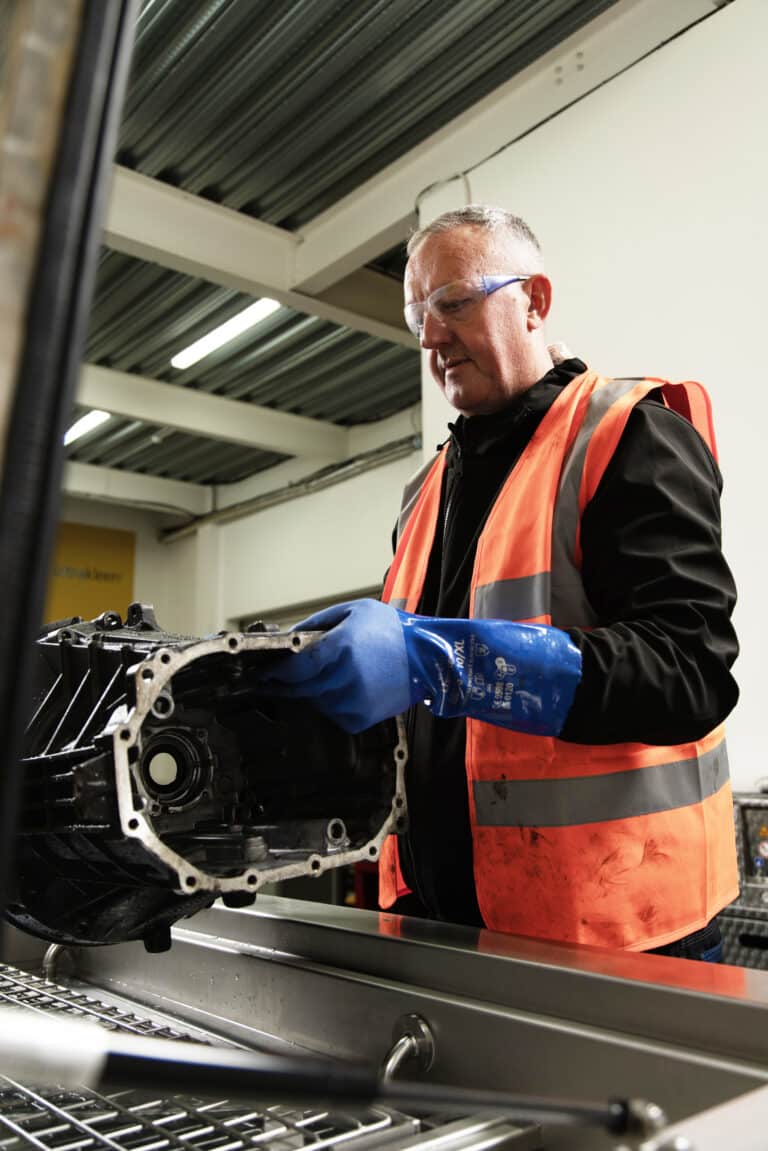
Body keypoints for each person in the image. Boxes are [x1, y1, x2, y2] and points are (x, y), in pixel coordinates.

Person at [264, 205, 739, 961]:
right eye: (419, 313)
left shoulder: (628, 432)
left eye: (452, 301)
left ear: (535, 300)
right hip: (442, 929)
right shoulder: (425, 492)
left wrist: (437, 659)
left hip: (622, 944)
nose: (429, 335)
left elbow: (687, 674)